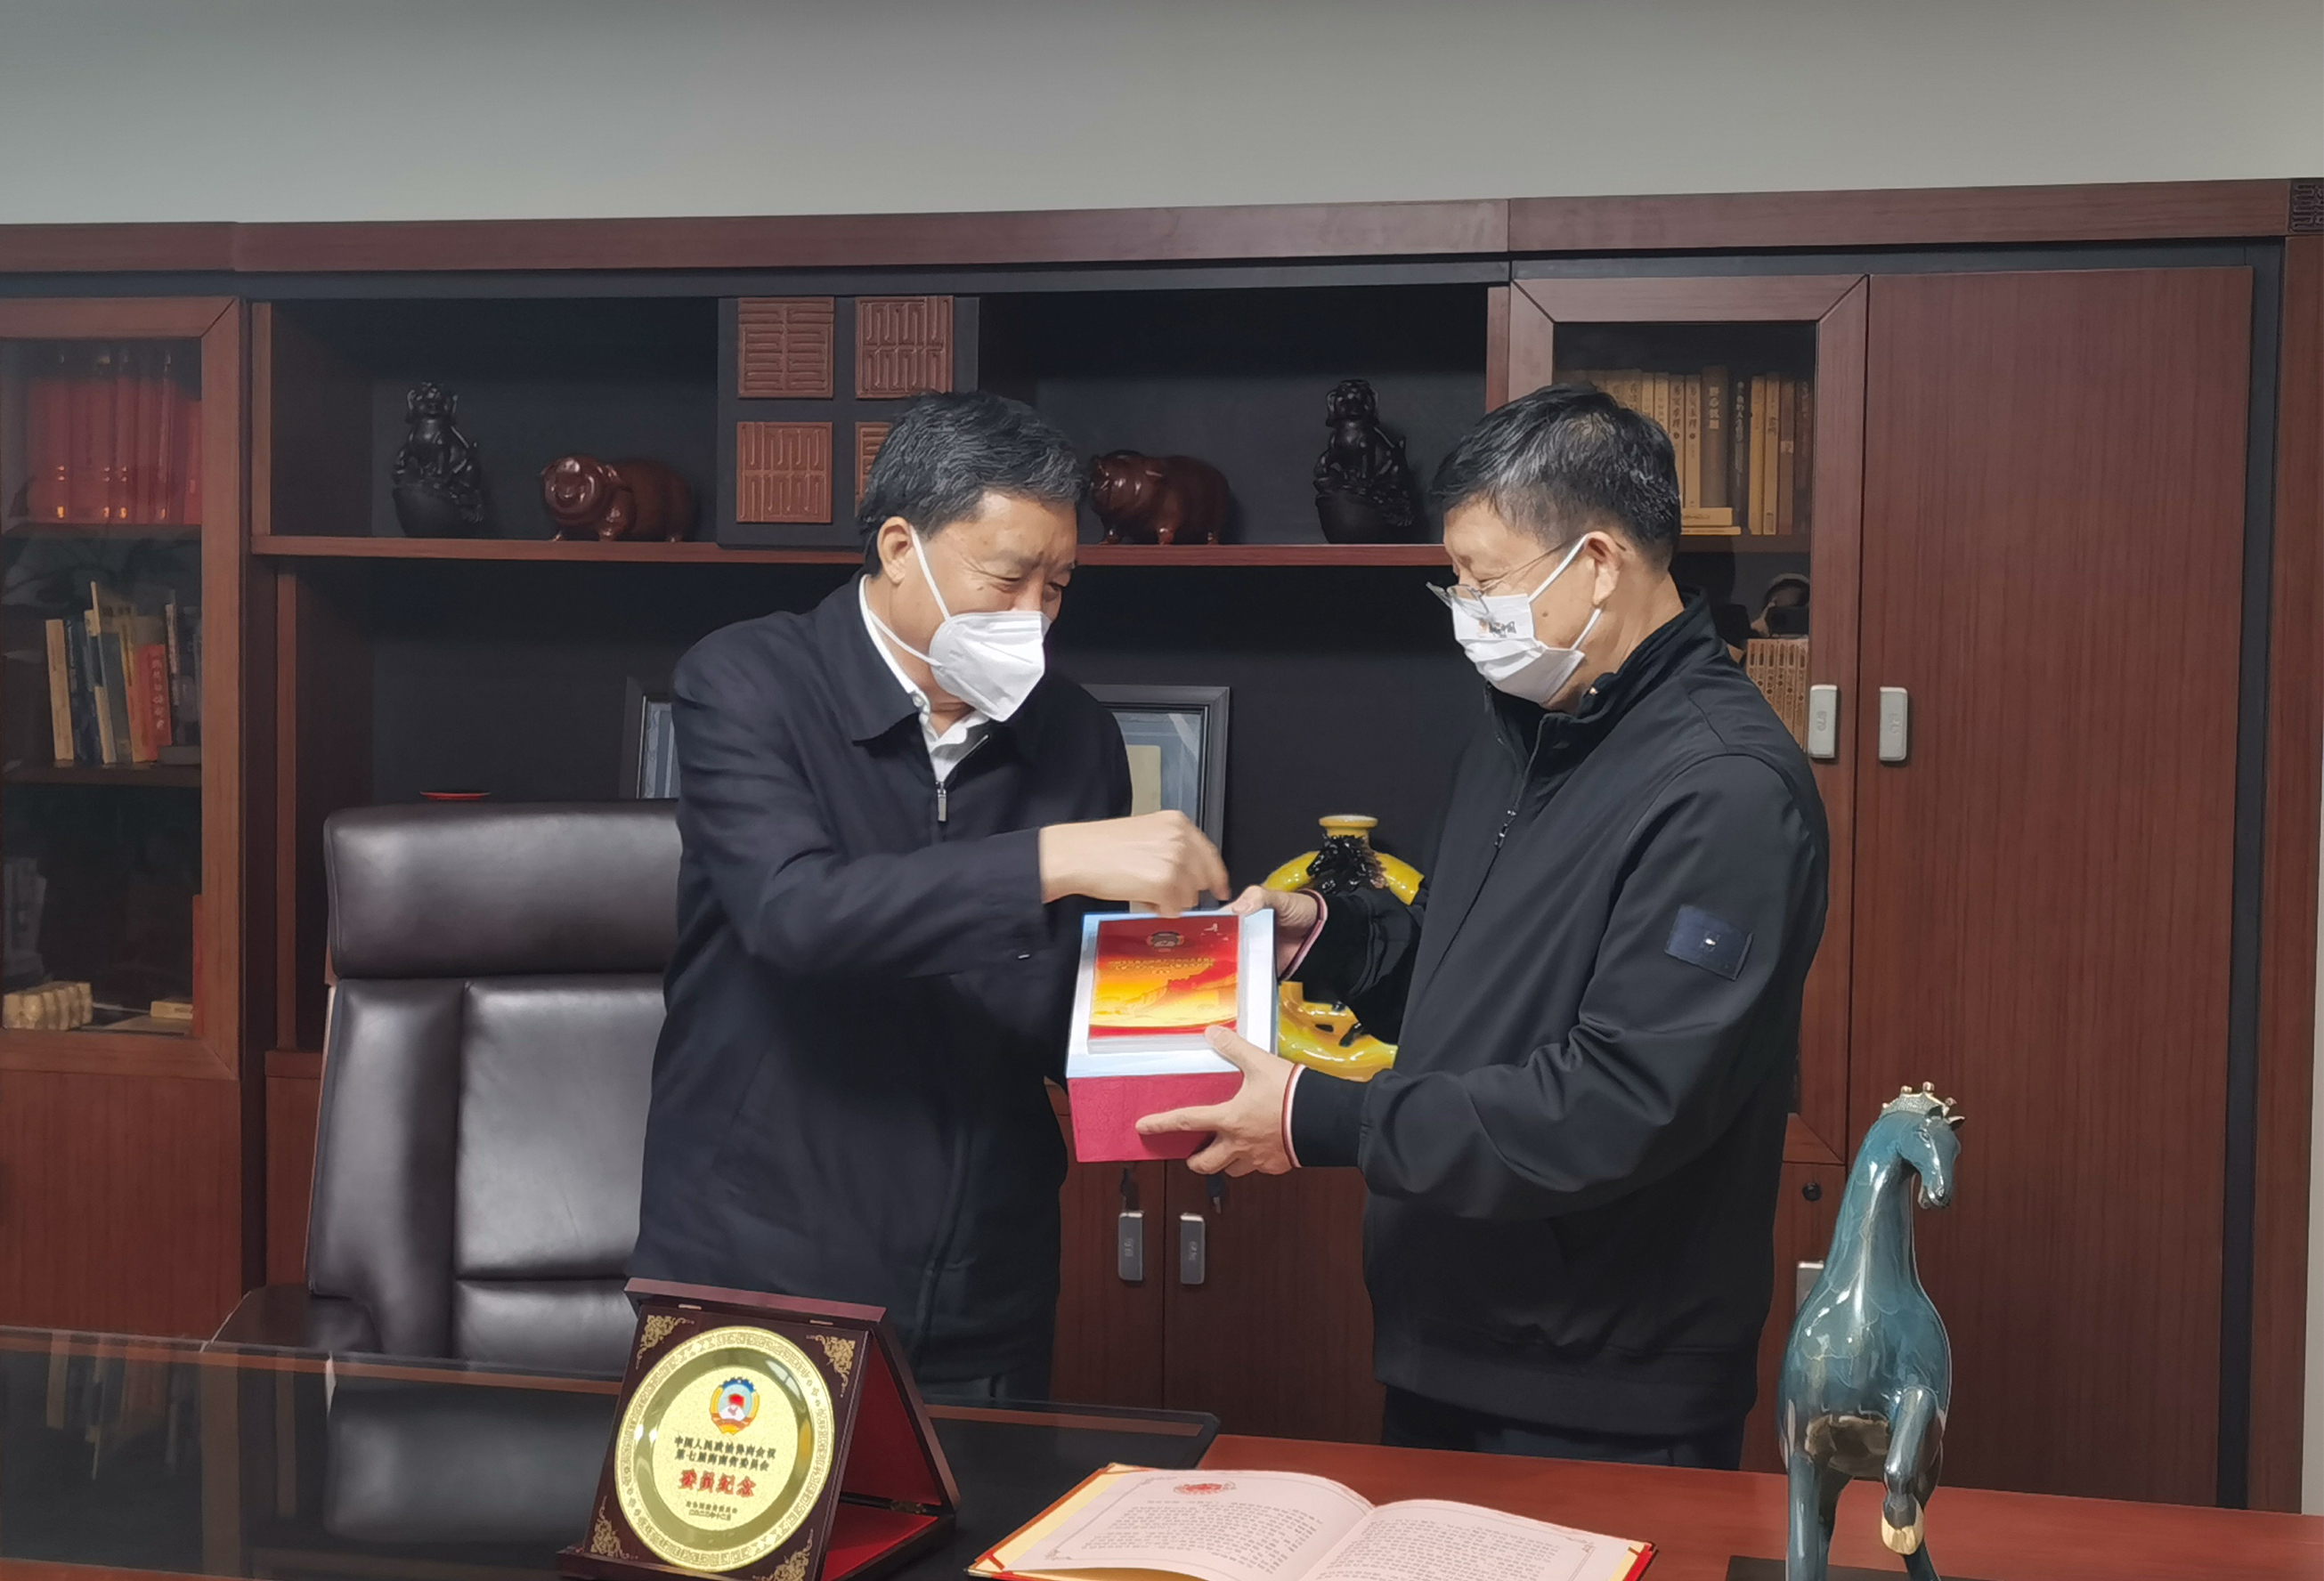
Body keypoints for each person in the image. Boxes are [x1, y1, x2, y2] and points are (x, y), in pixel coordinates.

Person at [1139, 385, 1829, 1467]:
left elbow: (1620, 1102)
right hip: (1447, 1341)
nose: (1465, 610)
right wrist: (1329, 935)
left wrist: (1319, 1117)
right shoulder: (1527, 727)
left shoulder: (1725, 789)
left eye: (1484, 581)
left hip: (1598, 1385)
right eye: (1455, 580)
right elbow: (1479, 971)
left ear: (1597, 563)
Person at [632, 391, 1228, 1401]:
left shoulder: (1073, 734)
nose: (1034, 614)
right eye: (1006, 577)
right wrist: (1051, 858)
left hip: (984, 1279)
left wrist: (1206, 968)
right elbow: (792, 914)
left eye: (1057, 585)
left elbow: (1064, 1015)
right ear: (900, 546)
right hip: (760, 1265)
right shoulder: (748, 680)